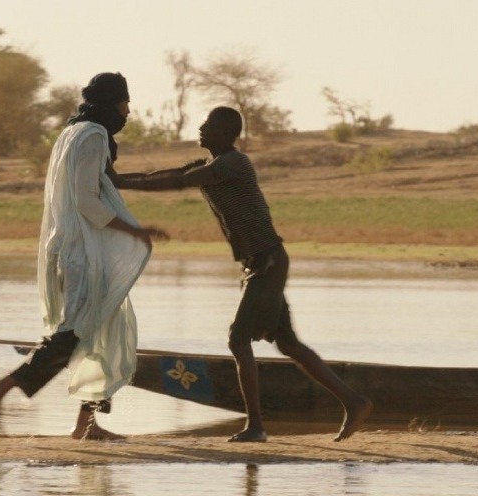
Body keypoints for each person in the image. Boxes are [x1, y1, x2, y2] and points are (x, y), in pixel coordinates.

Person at [115, 106, 372, 442]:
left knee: (238, 339)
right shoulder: (210, 164)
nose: (201, 127)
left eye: (208, 124)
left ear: (225, 132)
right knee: (289, 344)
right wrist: (117, 179)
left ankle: (256, 426)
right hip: (261, 262)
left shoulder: (232, 164)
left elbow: (178, 182)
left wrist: (117, 181)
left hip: (267, 261)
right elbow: (166, 174)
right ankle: (354, 402)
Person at [0, 72, 166, 440]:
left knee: (104, 331)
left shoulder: (73, 132)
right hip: (83, 253)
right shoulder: (93, 135)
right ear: (112, 103)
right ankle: (1, 387)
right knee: (76, 332)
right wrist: (135, 231)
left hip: (77, 248)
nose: (127, 112)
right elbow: (85, 201)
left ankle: (87, 424)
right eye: (125, 104)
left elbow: (93, 187)